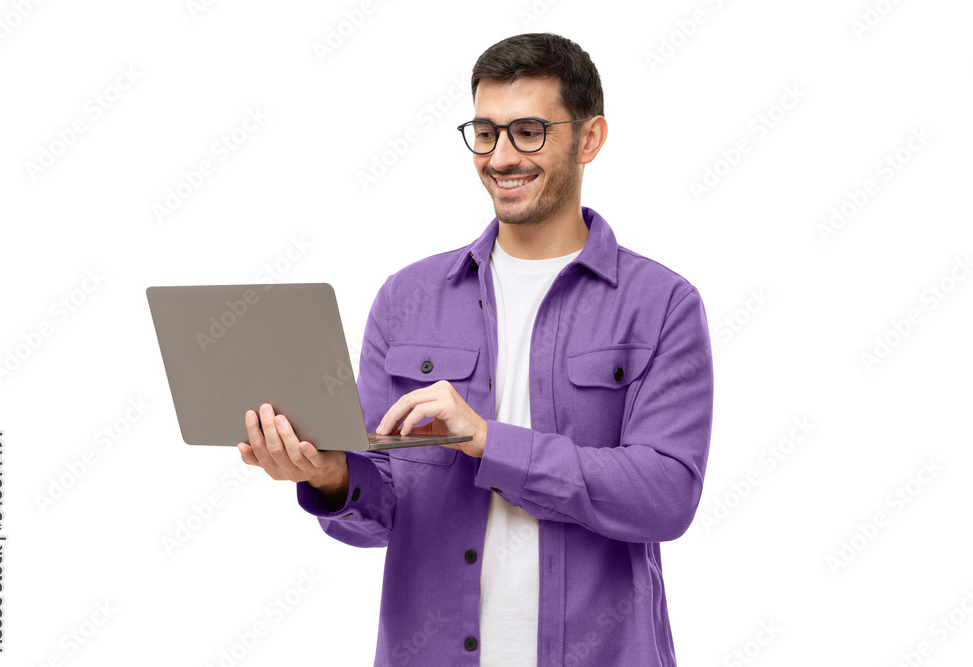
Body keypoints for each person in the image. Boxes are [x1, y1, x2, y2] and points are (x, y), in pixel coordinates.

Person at [237, 32, 713, 666]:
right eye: (485, 133)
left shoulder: (662, 304)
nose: (501, 156)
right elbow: (378, 514)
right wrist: (328, 477)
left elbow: (665, 498)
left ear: (590, 138)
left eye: (529, 131)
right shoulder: (407, 298)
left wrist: (488, 440)